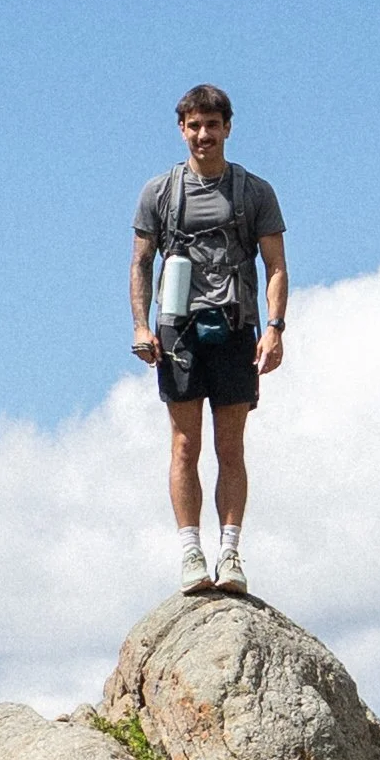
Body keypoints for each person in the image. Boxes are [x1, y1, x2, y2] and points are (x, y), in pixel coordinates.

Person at [131, 86, 288, 596]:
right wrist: (141, 324)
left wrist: (275, 329)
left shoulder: (254, 192)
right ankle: (190, 553)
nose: (203, 135)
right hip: (178, 330)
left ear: (228, 128)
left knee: (230, 446)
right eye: (194, 126)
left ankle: (231, 552)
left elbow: (275, 264)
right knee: (183, 444)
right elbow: (139, 261)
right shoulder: (160, 192)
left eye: (212, 126)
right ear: (182, 129)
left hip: (236, 325)